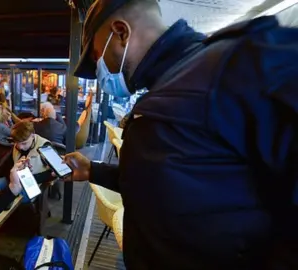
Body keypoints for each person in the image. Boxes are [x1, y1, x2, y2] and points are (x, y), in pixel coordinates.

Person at [66, 0, 298, 269]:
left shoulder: (241, 66)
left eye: (96, 58)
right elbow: (156, 182)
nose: (99, 73)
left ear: (121, 32)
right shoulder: (165, 86)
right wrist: (92, 170)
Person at [0, 121, 52, 202]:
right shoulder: (17, 146)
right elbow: (9, 165)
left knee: (7, 199)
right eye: (17, 143)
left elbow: (53, 173)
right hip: (13, 180)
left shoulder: (45, 146)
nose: (20, 147)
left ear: (33, 135)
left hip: (32, 185)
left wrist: (30, 178)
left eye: (24, 143)